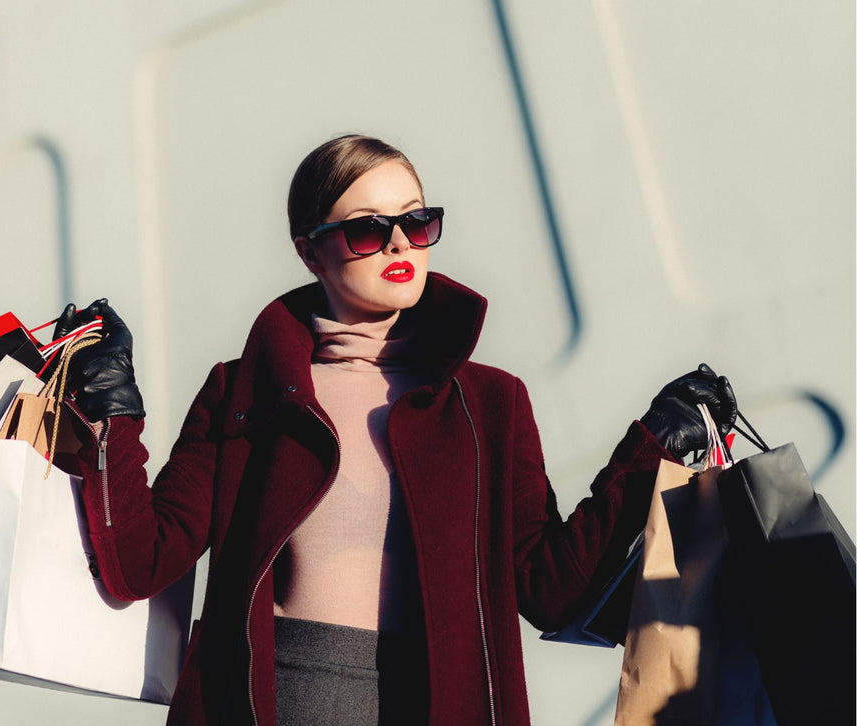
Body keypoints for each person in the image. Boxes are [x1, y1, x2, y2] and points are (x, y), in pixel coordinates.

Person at [54, 134, 737, 725]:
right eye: (366, 230)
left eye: (416, 222)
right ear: (309, 251)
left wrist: (649, 451)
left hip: (440, 704)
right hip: (276, 703)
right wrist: (113, 410)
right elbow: (139, 560)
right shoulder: (246, 391)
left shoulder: (490, 403)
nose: (398, 245)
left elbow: (549, 590)